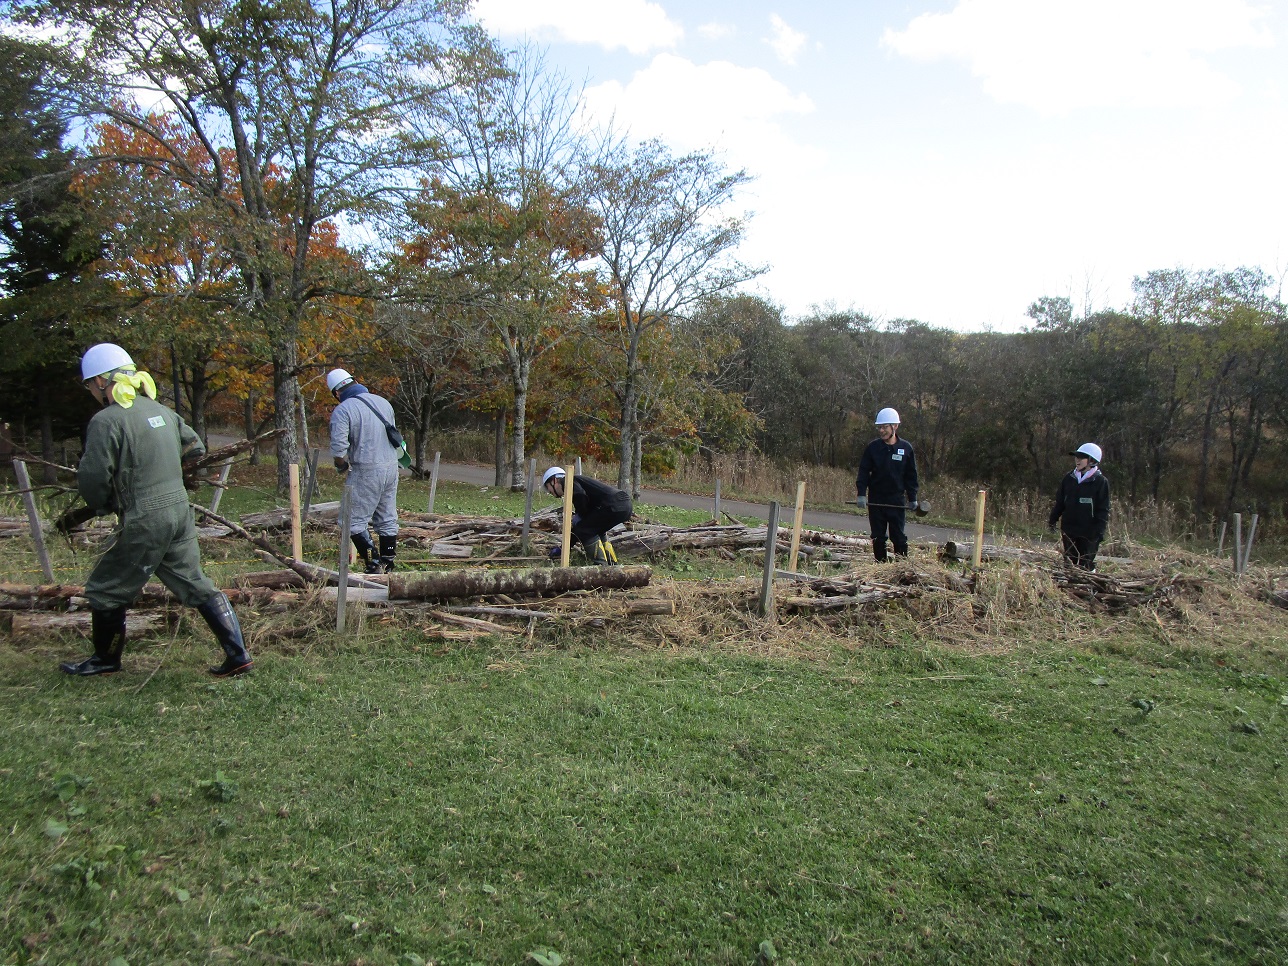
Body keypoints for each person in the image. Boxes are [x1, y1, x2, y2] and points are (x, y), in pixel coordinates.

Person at [61, 343, 252, 677]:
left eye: (90, 383)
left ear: (104, 382)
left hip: (146, 516)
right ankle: (238, 656)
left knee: (105, 588)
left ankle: (105, 660)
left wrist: (103, 504)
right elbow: (196, 450)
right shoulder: (163, 412)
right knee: (195, 582)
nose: (90, 390)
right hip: (178, 511)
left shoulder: (106, 421)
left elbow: (92, 479)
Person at [327, 368, 401, 574]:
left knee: (350, 520)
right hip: (391, 467)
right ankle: (388, 564)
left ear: (336, 393)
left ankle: (373, 562)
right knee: (386, 517)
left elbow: (339, 449)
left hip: (367, 469)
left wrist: (341, 465)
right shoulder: (383, 402)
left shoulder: (343, 410)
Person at [855, 407, 920, 562]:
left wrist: (913, 498)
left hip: (896, 501)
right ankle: (881, 567)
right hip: (876, 500)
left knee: (898, 537)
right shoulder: (873, 448)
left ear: (895, 427)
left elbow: (911, 476)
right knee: (878, 537)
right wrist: (862, 494)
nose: (881, 430)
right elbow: (863, 472)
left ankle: (902, 568)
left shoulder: (906, 448)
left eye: (885, 427)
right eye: (880, 427)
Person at [541, 467, 632, 565]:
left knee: (584, 530)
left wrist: (581, 514)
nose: (549, 491)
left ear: (554, 481)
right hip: (625, 505)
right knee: (594, 530)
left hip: (614, 505)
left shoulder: (568, 481)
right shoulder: (576, 483)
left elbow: (580, 495)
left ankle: (601, 566)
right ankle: (612, 566)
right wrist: (564, 548)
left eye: (548, 487)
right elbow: (577, 530)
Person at [1048, 443, 1111, 570]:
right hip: (1069, 529)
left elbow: (1103, 509)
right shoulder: (1069, 478)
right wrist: (1053, 519)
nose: (1077, 460)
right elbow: (1060, 501)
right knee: (1070, 563)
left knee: (1085, 564)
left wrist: (1099, 532)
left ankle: (1086, 587)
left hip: (1089, 532)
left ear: (1092, 460)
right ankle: (1070, 588)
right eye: (1076, 457)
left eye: (1081, 457)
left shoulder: (1100, 482)